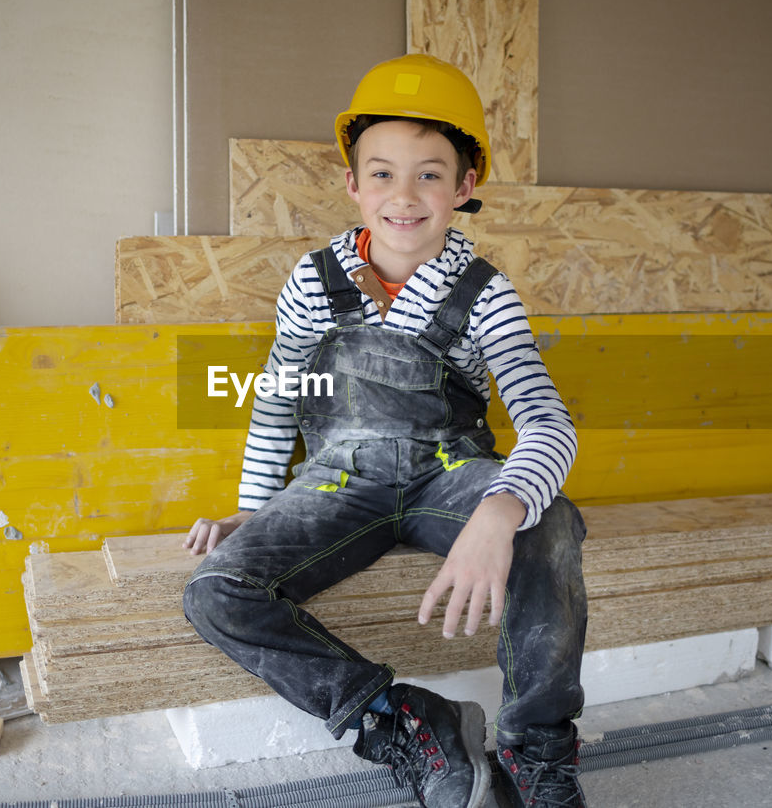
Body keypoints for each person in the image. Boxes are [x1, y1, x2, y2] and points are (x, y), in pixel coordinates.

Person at [182, 54, 589, 808]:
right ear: (352, 183)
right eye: (382, 174)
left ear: (465, 187)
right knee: (216, 590)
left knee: (550, 521)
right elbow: (277, 399)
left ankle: (536, 755)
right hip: (337, 481)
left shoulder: (486, 295)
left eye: (431, 174)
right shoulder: (313, 282)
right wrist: (257, 505)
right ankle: (402, 720)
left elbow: (547, 420)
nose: (404, 196)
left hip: (448, 474)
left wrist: (501, 509)